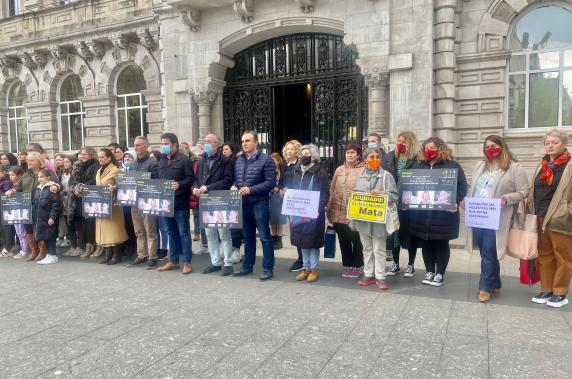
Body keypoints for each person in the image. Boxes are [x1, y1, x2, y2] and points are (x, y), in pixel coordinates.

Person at [463, 135, 529, 303]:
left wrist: (507, 198)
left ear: (502, 146)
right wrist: (465, 201)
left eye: (493, 145)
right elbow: (473, 188)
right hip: (478, 215)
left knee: (489, 251)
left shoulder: (514, 167)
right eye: (487, 146)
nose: (489, 148)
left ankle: (484, 287)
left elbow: (524, 190)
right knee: (486, 252)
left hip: (498, 218)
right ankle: (496, 282)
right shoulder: (480, 166)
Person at [408, 137, 467, 287]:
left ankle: (440, 273)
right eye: (426, 148)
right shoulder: (418, 165)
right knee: (426, 242)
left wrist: (456, 201)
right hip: (422, 214)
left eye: (432, 148)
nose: (429, 151)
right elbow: (410, 186)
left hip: (443, 215)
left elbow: (462, 186)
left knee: (441, 243)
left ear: (441, 149)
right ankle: (429, 271)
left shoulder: (452, 165)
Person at [528, 129, 572, 308]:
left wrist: (568, 210)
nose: (551, 145)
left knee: (563, 255)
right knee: (544, 254)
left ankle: (560, 292)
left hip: (560, 217)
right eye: (548, 143)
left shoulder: (569, 165)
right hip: (540, 215)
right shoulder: (543, 165)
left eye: (555, 142)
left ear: (564, 144)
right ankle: (547, 289)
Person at [350, 147, 397, 290]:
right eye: (371, 157)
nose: (375, 159)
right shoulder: (360, 175)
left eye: (377, 156)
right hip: (363, 219)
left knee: (379, 249)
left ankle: (381, 276)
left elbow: (395, 195)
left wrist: (382, 193)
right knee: (367, 248)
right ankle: (368, 274)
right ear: (365, 160)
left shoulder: (386, 176)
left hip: (379, 220)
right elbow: (356, 194)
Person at [231, 130, 276, 281]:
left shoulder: (266, 159)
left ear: (256, 143)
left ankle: (268, 268)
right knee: (247, 236)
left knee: (265, 237)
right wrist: (233, 186)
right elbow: (237, 179)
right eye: (243, 141)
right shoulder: (239, 160)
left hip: (259, 203)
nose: (244, 143)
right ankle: (247, 266)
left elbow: (270, 182)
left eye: (248, 141)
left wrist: (251, 189)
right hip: (243, 204)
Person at [193, 133, 235, 276]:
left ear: (217, 144)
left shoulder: (226, 161)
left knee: (224, 233)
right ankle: (215, 262)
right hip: (205, 201)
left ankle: (228, 262)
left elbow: (228, 180)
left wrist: (208, 187)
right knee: (210, 234)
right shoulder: (200, 160)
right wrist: (195, 187)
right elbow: (197, 178)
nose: (206, 144)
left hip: (220, 200)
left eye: (209, 142)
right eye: (205, 141)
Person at [286, 144, 329, 282]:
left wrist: (319, 208)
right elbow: (292, 188)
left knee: (313, 241)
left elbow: (325, 193)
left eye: (306, 153)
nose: (303, 156)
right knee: (302, 241)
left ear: (313, 156)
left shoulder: (320, 171)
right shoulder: (296, 170)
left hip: (314, 213)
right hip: (299, 212)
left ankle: (313, 269)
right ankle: (305, 268)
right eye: (302, 153)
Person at [6, 152, 60, 262]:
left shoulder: (46, 172)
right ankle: (34, 250)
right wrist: (12, 190)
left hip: (41, 208)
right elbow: (18, 187)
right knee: (28, 228)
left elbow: (58, 184)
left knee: (39, 229)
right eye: (28, 160)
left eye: (32, 160)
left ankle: (42, 251)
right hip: (26, 206)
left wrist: (55, 186)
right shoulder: (26, 174)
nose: (29, 162)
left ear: (39, 161)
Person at [156, 132, 195, 274]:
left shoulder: (184, 160)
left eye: (166, 144)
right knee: (171, 233)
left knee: (184, 233)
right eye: (162, 144)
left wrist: (180, 184)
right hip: (165, 204)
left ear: (174, 145)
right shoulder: (161, 161)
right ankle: (173, 261)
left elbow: (191, 179)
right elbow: (157, 179)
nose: (163, 147)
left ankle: (187, 262)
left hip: (180, 203)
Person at [326, 142, 366, 278]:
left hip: (355, 212)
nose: (350, 155)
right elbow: (332, 188)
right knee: (343, 241)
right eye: (348, 152)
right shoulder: (339, 170)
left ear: (358, 155)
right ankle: (348, 265)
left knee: (357, 240)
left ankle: (357, 265)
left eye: (353, 152)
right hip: (338, 211)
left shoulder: (364, 169)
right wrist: (329, 208)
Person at [383, 130, 420, 277]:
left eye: (404, 141)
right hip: (394, 202)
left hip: (410, 203)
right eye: (399, 141)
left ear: (410, 143)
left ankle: (411, 264)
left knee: (410, 234)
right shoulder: (392, 157)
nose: (400, 144)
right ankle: (396, 264)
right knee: (394, 233)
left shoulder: (417, 159)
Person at [128, 136, 160, 268]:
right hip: (134, 200)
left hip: (147, 200)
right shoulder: (132, 164)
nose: (136, 147)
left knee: (150, 230)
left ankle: (152, 257)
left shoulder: (153, 163)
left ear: (146, 147)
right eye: (135, 145)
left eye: (139, 145)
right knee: (139, 230)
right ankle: (141, 255)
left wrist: (143, 181)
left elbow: (157, 181)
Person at [94, 148, 129, 265]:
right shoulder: (99, 171)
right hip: (101, 205)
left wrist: (114, 188)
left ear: (109, 157)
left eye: (102, 157)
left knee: (114, 230)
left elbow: (124, 185)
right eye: (98, 157)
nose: (100, 159)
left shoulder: (116, 170)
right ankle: (108, 254)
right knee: (104, 230)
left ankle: (116, 255)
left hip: (113, 205)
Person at [71, 148, 100, 259]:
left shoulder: (95, 165)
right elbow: (72, 180)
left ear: (91, 155)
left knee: (90, 223)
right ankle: (82, 245)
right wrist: (75, 188)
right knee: (79, 222)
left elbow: (95, 180)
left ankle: (91, 245)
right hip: (77, 198)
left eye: (85, 154)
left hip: (90, 197)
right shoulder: (78, 165)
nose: (82, 156)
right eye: (81, 154)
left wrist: (83, 186)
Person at [280, 139, 304, 271]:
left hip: (299, 203)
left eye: (292, 149)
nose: (289, 151)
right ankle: (300, 257)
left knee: (301, 230)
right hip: (288, 202)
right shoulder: (284, 165)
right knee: (294, 230)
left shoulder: (300, 165)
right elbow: (281, 182)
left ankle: (303, 259)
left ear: (297, 151)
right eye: (287, 149)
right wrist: (281, 190)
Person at [32, 169, 60, 265]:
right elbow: (34, 204)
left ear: (48, 177)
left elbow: (55, 205)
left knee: (50, 236)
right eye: (39, 177)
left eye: (42, 177)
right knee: (44, 236)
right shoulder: (38, 189)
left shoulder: (51, 188)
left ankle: (52, 255)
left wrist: (52, 217)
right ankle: (48, 254)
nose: (40, 179)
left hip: (48, 218)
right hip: (40, 218)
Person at [222, 142, 242, 263]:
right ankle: (226, 247)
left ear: (232, 150)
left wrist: (234, 185)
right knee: (225, 224)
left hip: (234, 196)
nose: (224, 151)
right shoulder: (221, 162)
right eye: (223, 149)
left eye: (226, 149)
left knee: (234, 224)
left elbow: (238, 178)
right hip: (223, 196)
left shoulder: (237, 162)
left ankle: (236, 249)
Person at [9, 167, 30, 259]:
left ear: (20, 175)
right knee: (18, 231)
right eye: (10, 175)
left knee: (22, 231)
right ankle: (23, 248)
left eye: (13, 175)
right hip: (14, 210)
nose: (11, 177)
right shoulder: (13, 184)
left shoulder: (21, 185)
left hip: (22, 210)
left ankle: (25, 249)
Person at [269, 152, 287, 250]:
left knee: (279, 218)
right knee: (272, 219)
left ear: (278, 160)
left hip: (279, 196)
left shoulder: (283, 170)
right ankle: (274, 237)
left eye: (273, 161)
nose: (272, 163)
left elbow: (285, 182)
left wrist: (278, 188)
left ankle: (279, 240)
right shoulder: (269, 170)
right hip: (270, 195)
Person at [0, 164, 16, 257]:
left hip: (6, 208)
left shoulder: (6, 181)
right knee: (2, 229)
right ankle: (5, 247)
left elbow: (6, 196)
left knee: (7, 228)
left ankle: (8, 248)